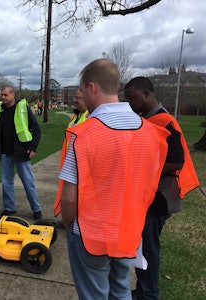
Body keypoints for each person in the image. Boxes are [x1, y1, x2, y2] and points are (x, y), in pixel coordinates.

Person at [59, 59, 170, 299]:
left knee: (94, 294)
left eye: (82, 90)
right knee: (120, 290)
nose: (82, 96)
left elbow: (69, 198)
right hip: (128, 231)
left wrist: (70, 225)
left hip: (90, 234)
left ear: (92, 87)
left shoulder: (84, 134)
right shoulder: (152, 134)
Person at [124, 76, 200, 300]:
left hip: (160, 197)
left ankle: (149, 295)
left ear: (146, 95)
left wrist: (143, 167)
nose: (129, 103)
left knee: (149, 248)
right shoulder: (147, 118)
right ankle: (146, 289)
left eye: (132, 98)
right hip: (150, 196)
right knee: (143, 247)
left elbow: (177, 162)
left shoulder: (164, 120)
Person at [0, 85, 42, 219]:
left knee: (28, 181)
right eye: (2, 95)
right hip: (5, 153)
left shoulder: (22, 108)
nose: (3, 97)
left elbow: (36, 129)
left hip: (21, 152)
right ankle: (10, 208)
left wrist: (33, 147)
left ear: (12, 95)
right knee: (6, 182)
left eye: (5, 95)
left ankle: (36, 209)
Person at [53, 88, 88, 223]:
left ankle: (74, 221)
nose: (75, 100)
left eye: (78, 98)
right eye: (75, 97)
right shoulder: (76, 116)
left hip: (80, 165)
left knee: (76, 196)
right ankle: (68, 218)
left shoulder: (89, 117)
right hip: (70, 162)